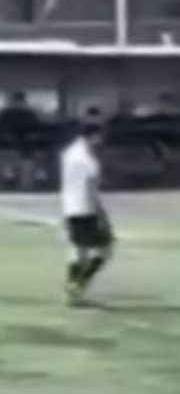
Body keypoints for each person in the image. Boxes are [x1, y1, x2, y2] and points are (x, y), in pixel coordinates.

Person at [60, 116, 113, 307]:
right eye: (100, 135)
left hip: (69, 206)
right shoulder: (88, 160)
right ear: (94, 135)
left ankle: (73, 289)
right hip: (86, 208)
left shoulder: (69, 152)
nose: (102, 139)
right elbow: (90, 188)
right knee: (105, 249)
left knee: (78, 249)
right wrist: (101, 213)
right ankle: (77, 285)